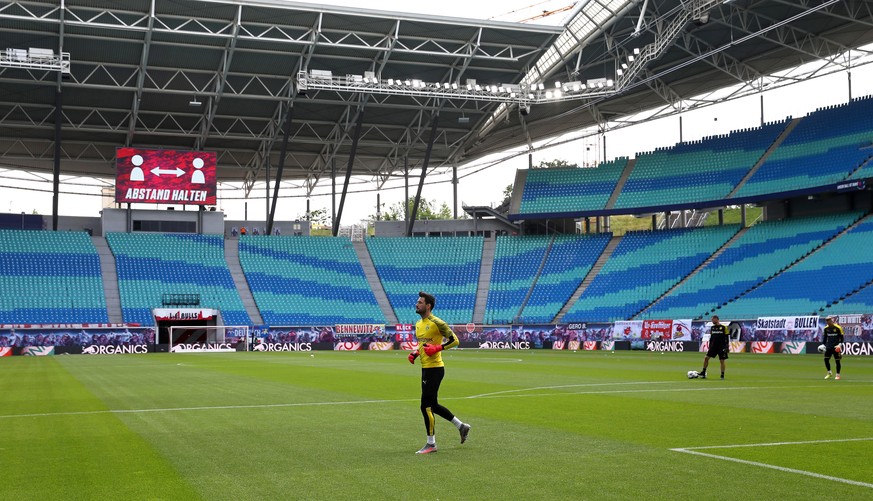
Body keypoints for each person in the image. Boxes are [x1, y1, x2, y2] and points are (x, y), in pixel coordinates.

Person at [407, 291, 470, 454]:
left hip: (435, 369)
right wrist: (415, 353)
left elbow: (455, 340)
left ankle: (431, 444)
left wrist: (438, 348)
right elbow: (423, 344)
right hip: (426, 368)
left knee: (425, 406)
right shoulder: (418, 324)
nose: (417, 304)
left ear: (428, 306)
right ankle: (461, 426)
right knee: (433, 405)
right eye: (417, 301)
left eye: (420, 302)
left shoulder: (437, 322)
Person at [700, 315, 729, 379]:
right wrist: (710, 346)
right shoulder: (712, 328)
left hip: (721, 347)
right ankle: (703, 372)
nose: (712, 321)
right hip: (713, 347)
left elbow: (727, 337)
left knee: (722, 361)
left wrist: (726, 347)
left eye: (713, 319)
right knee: (706, 358)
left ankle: (722, 375)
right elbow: (712, 337)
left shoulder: (723, 327)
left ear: (716, 319)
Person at [822, 316, 844, 380]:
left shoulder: (838, 328)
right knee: (826, 359)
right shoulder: (826, 328)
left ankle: (838, 375)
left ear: (832, 320)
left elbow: (841, 338)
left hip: (836, 347)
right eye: (826, 320)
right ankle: (829, 373)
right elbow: (825, 338)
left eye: (829, 320)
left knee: (837, 361)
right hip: (829, 347)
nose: (827, 321)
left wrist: (839, 345)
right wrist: (823, 345)